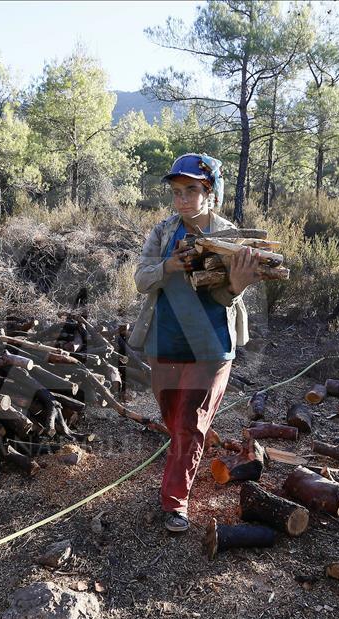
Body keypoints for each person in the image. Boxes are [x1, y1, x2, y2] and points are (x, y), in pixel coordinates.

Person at [130, 153, 262, 533]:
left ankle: (176, 502)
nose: (183, 199)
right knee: (173, 418)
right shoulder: (162, 231)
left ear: (211, 192)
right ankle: (182, 463)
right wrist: (168, 265)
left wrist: (238, 285)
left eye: (192, 190)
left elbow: (226, 298)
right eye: (176, 192)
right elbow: (141, 279)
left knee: (190, 423)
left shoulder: (229, 237)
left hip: (211, 345)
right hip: (165, 340)